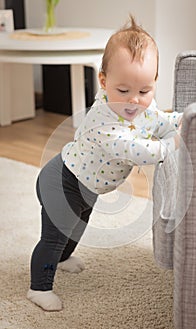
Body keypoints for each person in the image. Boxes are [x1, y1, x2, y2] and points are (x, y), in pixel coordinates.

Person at [27, 15, 182, 311]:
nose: (134, 101)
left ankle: (63, 258)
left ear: (153, 84)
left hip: (88, 190)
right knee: (54, 236)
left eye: (144, 91)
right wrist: (168, 145)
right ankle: (39, 287)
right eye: (123, 90)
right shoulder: (103, 121)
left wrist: (184, 119)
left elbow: (160, 120)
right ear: (103, 81)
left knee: (75, 229)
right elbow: (135, 149)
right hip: (62, 182)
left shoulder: (139, 107)